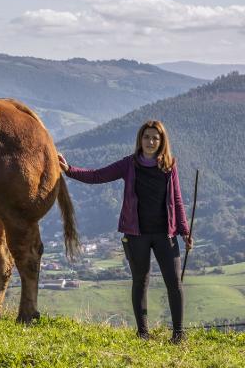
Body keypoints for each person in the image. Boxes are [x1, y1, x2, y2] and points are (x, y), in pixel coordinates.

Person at [58, 120, 193, 344]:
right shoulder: (129, 164)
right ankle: (143, 333)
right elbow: (97, 175)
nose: (150, 141)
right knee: (140, 281)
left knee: (174, 283)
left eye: (155, 138)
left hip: (165, 235)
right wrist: (69, 170)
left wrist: (184, 231)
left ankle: (178, 334)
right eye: (146, 137)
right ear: (140, 139)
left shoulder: (170, 166)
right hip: (136, 234)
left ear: (161, 141)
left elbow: (177, 201)